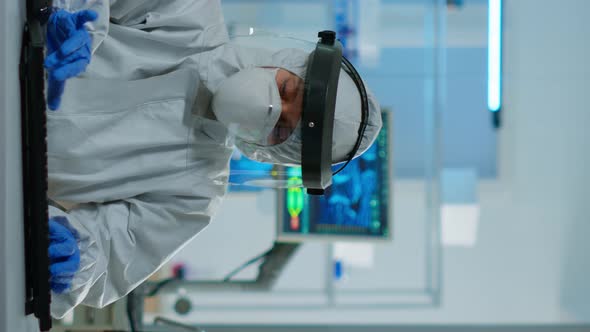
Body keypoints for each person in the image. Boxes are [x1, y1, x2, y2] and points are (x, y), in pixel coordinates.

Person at [45, 0, 382, 318]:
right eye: (286, 90)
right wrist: (75, 14)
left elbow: (109, 259)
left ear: (277, 152)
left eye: (281, 127)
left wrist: (73, 258)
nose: (270, 108)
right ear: (290, 61)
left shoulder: (194, 195)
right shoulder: (191, 14)